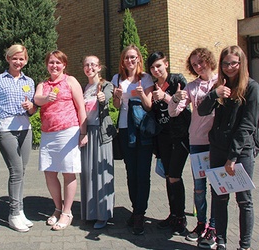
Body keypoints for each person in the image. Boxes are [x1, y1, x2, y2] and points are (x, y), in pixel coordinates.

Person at [198, 45, 259, 250]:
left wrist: (232, 158)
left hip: (241, 153)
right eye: (225, 63)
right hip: (218, 149)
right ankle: (221, 241)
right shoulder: (220, 86)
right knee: (219, 196)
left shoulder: (251, 87)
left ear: (241, 63)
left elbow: (247, 125)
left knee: (244, 200)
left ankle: (244, 245)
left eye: (233, 63)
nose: (229, 67)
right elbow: (202, 110)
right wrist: (214, 94)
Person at [168, 48, 217, 248]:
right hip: (197, 142)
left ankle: (213, 227)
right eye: (194, 64)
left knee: (217, 188)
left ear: (209, 61)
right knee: (199, 188)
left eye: (201, 62)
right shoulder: (191, 86)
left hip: (217, 143)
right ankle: (201, 224)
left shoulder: (220, 82)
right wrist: (176, 98)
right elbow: (173, 112)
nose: (198, 66)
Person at [34, 50, 87, 231]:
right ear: (47, 65)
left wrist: (83, 132)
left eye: (58, 62)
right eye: (51, 62)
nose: (54, 66)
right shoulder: (43, 84)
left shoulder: (70, 81)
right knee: (49, 172)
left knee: (68, 172)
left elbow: (81, 107)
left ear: (64, 65)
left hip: (68, 132)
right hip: (48, 133)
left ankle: (67, 212)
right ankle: (57, 208)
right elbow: (37, 99)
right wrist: (46, 98)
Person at [0, 44, 37, 232]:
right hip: (6, 129)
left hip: (25, 128)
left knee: (22, 171)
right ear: (8, 58)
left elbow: (34, 110)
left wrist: (31, 108)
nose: (18, 62)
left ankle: (19, 211)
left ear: (25, 60)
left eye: (21, 58)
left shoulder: (29, 81)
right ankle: (13, 214)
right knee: (16, 170)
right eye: (15, 58)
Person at [112, 45, 154, 235]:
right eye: (127, 57)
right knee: (131, 173)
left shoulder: (145, 78)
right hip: (125, 128)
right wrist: (118, 96)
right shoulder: (116, 78)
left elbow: (149, 106)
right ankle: (136, 209)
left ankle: (139, 214)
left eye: (133, 57)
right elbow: (116, 106)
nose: (130, 60)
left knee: (143, 173)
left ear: (138, 59)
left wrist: (142, 93)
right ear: (123, 60)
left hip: (142, 129)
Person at [147, 51, 190, 235]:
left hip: (180, 136)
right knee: (168, 176)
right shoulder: (153, 86)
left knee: (175, 176)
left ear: (166, 64)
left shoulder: (177, 81)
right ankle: (173, 215)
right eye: (152, 67)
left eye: (159, 65)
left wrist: (165, 96)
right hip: (163, 137)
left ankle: (180, 218)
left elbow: (184, 105)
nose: (156, 70)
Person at [80, 55, 115, 229]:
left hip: (101, 134)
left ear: (99, 67)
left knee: (101, 173)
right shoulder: (83, 87)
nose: (90, 68)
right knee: (88, 173)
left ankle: (103, 214)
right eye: (87, 65)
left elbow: (107, 96)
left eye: (93, 65)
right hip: (87, 133)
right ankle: (91, 212)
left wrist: (102, 98)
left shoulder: (106, 85)